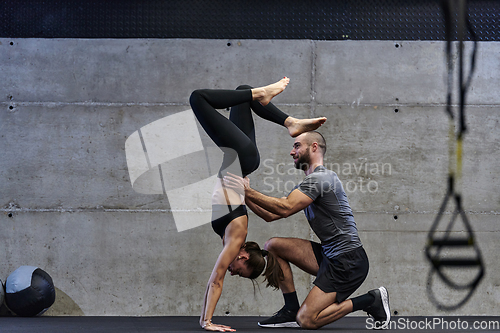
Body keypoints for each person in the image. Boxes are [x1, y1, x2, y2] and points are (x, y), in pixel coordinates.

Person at [189, 77, 327, 332]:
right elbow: (216, 279)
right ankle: (288, 120)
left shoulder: (230, 238)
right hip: (242, 157)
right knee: (198, 98)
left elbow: (215, 279)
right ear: (243, 256)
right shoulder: (236, 235)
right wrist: (206, 321)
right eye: (240, 271)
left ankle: (289, 121)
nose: (233, 273)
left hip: (241, 157)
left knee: (244, 93)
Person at [224, 131, 391, 330]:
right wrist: (245, 195)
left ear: (313, 147)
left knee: (307, 320)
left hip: (348, 261)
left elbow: (284, 208)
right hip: (330, 255)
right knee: (273, 246)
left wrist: (246, 191)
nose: (291, 152)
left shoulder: (322, 179)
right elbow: (271, 215)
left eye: (296, 146)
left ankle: (371, 300)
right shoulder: (307, 184)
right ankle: (290, 309)